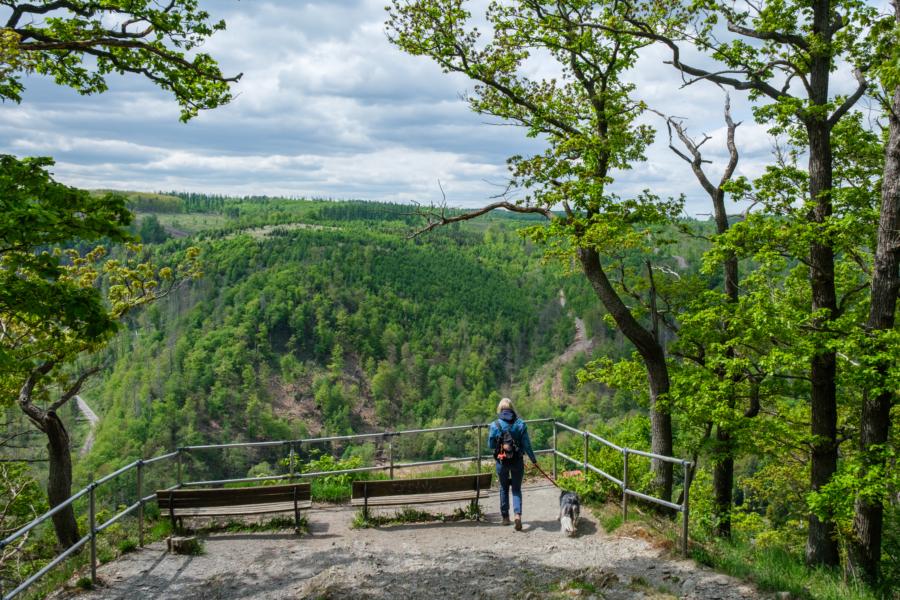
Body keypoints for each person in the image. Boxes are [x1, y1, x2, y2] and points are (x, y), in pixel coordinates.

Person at [488, 397, 537, 530]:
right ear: (512, 408)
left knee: (503, 488)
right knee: (516, 489)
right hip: (517, 461)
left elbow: (491, 445)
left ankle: (505, 518)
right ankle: (517, 515)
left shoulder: (495, 425)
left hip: (501, 461)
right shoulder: (520, 424)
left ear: (500, 409)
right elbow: (527, 444)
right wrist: (533, 460)